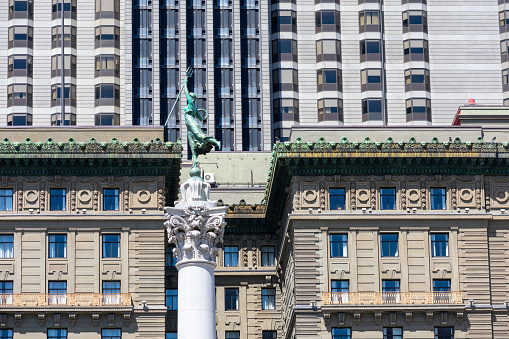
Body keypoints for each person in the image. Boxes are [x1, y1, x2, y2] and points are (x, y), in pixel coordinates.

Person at [183, 68, 221, 175]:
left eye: (190, 96)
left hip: (190, 122)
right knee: (193, 145)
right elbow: (201, 118)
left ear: (192, 97)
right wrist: (204, 116)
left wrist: (185, 80)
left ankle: (216, 142)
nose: (189, 96)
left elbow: (185, 91)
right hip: (189, 126)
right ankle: (194, 161)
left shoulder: (191, 104)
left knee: (199, 136)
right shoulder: (194, 108)